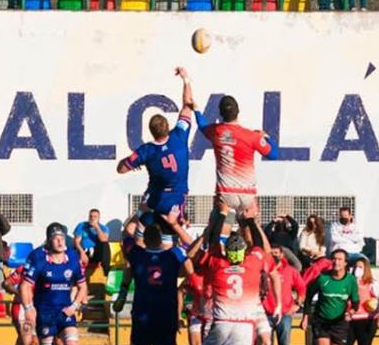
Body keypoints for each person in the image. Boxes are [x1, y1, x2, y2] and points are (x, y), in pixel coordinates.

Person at [193, 205, 273, 345]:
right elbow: (258, 245)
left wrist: (221, 215)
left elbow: (214, 241)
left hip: (220, 324)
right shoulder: (253, 262)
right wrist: (249, 220)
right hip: (244, 327)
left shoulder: (217, 264)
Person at [123, 214, 193, 345]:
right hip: (166, 315)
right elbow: (190, 258)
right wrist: (177, 228)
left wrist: (141, 213)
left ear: (144, 238)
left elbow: (126, 235)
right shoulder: (173, 255)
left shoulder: (137, 254)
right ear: (162, 238)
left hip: (143, 315)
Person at [118, 67, 196, 234]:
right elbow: (187, 106)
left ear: (151, 131)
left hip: (155, 200)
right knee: (173, 237)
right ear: (168, 126)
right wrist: (186, 79)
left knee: (132, 229)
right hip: (177, 199)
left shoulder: (147, 151)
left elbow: (121, 169)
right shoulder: (179, 136)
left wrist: (133, 163)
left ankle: (134, 252)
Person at [22, 223, 87, 345]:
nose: (59, 241)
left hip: (65, 311)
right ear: (49, 240)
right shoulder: (38, 257)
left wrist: (74, 305)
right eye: (55, 238)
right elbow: (25, 285)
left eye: (62, 238)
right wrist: (29, 308)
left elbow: (83, 286)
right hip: (45, 311)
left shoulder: (73, 258)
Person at [196, 92, 279, 221]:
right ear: (238, 111)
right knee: (250, 230)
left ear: (220, 114)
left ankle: (219, 236)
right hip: (247, 195)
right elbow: (274, 154)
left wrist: (195, 109)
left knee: (218, 230)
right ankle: (251, 234)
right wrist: (266, 136)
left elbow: (202, 125)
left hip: (226, 194)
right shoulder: (252, 136)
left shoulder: (216, 132)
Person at [302, 248, 359, 345]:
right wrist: (305, 316)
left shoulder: (351, 281)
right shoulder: (322, 278)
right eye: (334, 259)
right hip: (321, 321)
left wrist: (351, 312)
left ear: (346, 263)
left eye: (340, 259)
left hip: (340, 323)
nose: (336, 262)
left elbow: (355, 302)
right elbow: (308, 296)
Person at [268, 243, 306, 345]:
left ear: (282, 255)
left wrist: (297, 304)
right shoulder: (263, 270)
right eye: (272, 253)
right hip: (266, 313)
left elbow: (302, 288)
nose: (274, 255)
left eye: (277, 253)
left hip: (284, 313)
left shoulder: (290, 271)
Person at [73, 208, 111, 273]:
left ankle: (105, 271)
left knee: (105, 244)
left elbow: (104, 240)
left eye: (95, 216)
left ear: (99, 218)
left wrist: (96, 227)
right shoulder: (82, 225)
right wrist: (82, 253)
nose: (92, 218)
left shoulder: (103, 228)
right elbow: (76, 242)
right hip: (84, 251)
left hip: (96, 252)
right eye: (91, 216)